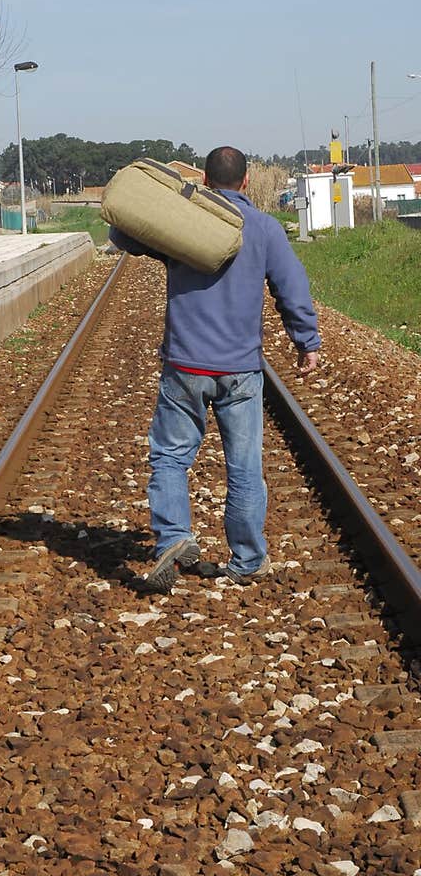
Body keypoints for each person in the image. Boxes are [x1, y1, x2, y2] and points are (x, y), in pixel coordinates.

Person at [108, 146, 321, 593]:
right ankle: (246, 561)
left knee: (169, 456)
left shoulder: (186, 221)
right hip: (241, 370)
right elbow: (292, 287)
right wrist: (306, 343)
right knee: (244, 468)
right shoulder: (263, 228)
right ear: (246, 182)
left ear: (205, 180)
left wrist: (160, 198)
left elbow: (123, 236)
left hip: (184, 365)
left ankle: (174, 536)